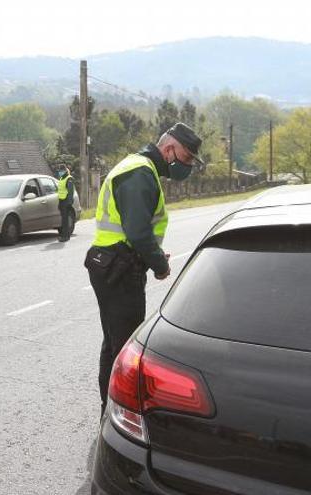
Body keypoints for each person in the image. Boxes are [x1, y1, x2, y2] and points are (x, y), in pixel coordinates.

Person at [84, 122, 203, 416]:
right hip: (119, 267)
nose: (186, 166)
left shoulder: (139, 168)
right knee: (124, 347)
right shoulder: (140, 172)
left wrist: (151, 252)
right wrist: (160, 265)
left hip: (114, 262)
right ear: (169, 149)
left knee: (114, 343)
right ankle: (117, 415)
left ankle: (108, 410)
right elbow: (137, 232)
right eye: (186, 158)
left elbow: (136, 231)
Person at [56, 165, 76, 242]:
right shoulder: (62, 178)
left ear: (65, 170)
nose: (60, 172)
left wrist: (69, 203)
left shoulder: (69, 178)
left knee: (65, 220)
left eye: (61, 170)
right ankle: (63, 235)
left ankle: (66, 236)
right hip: (61, 201)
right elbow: (61, 190)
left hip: (66, 201)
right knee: (63, 220)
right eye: (59, 171)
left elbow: (71, 192)